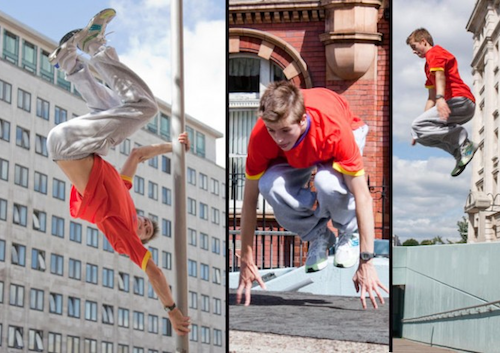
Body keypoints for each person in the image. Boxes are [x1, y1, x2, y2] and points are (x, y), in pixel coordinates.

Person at [46, 8, 190, 335]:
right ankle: (67, 60)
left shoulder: (123, 237)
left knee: (146, 108)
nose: (142, 224)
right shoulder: (123, 194)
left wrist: (171, 309)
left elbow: (153, 271)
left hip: (70, 147)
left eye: (145, 230)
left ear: (138, 238)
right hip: (77, 146)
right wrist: (173, 146)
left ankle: (96, 47)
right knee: (111, 109)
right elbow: (138, 155)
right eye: (146, 222)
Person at [235, 81, 388, 309]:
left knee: (326, 182)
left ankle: (348, 233)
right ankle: (319, 235)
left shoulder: (335, 131)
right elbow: (248, 202)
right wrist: (246, 257)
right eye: (272, 130)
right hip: (299, 153)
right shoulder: (262, 136)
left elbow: (364, 197)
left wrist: (366, 260)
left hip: (341, 132)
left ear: (302, 119)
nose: (278, 139)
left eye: (285, 130)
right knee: (269, 185)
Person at [407, 28, 477, 177]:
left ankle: (463, 141)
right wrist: (418, 130)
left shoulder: (435, 52)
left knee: (417, 126)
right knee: (421, 136)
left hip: (460, 100)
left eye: (414, 47)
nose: (413, 51)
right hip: (458, 106)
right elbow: (430, 98)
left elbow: (440, 76)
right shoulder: (427, 67)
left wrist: (440, 98)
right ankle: (461, 152)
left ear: (423, 42)